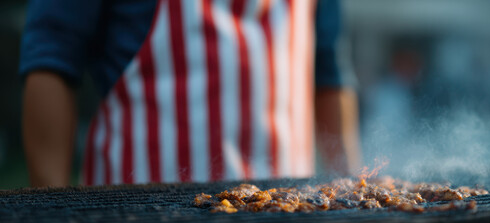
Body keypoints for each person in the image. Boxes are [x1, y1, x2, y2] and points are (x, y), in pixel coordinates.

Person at [20, 0, 361, 187]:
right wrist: (51, 204)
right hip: (137, 217)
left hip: (288, 217)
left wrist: (349, 193)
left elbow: (329, 75)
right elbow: (52, 59)